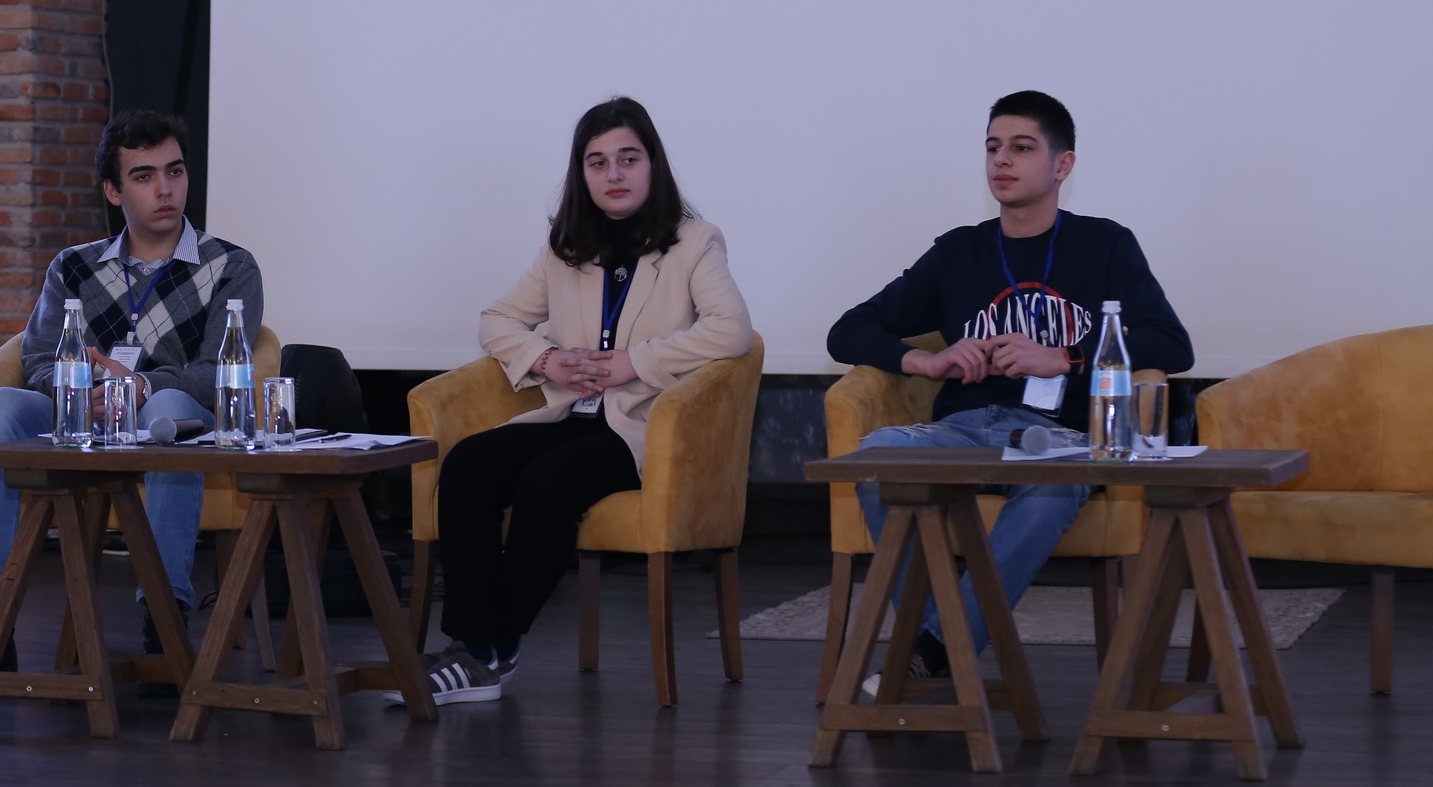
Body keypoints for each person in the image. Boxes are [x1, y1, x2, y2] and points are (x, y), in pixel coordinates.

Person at [827, 90, 1193, 695]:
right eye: (993, 147)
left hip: (1059, 438)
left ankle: (933, 648)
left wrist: (1064, 358)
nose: (1001, 160)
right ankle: (940, 641)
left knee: (1055, 490)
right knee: (875, 460)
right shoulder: (958, 251)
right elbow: (848, 331)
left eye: (1021, 148)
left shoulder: (1104, 244)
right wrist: (928, 360)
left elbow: (1172, 345)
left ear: (1062, 165)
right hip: (962, 429)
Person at [398, 97, 754, 706]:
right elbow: (496, 320)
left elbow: (733, 331)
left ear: (652, 164)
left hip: (640, 428)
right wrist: (547, 360)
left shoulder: (694, 242)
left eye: (628, 159)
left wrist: (634, 361)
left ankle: (492, 649)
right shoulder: (565, 249)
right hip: (570, 413)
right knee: (469, 464)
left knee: (547, 483)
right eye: (597, 162)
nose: (613, 174)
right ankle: (474, 646)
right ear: (581, 173)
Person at [0, 110, 264, 692]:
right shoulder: (74, 266)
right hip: (82, 413)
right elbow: (38, 359)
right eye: (144, 176)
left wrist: (139, 386)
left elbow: (223, 371)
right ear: (114, 191)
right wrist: (80, 392)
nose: (165, 189)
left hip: (167, 413)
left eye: (174, 171)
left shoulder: (229, 265)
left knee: (166, 410)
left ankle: (163, 623)